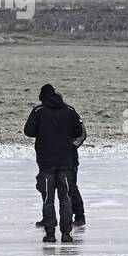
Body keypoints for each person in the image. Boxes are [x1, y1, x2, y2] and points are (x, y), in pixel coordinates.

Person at [23, 83, 85, 244]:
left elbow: (28, 131)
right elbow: (79, 132)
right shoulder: (69, 111)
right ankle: (66, 233)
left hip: (45, 162)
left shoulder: (39, 111)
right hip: (66, 162)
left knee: (48, 197)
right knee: (66, 198)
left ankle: (50, 233)